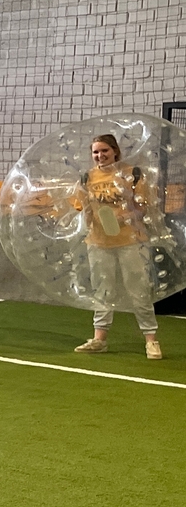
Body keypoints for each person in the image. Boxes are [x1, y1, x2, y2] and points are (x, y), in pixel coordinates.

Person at [72, 133, 164, 360]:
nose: (100, 155)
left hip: (131, 241)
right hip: (98, 242)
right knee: (103, 290)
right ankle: (99, 339)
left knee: (138, 290)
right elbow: (84, 209)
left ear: (115, 151)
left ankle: (151, 340)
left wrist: (125, 214)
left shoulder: (132, 174)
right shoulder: (86, 178)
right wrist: (86, 221)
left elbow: (143, 207)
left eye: (104, 150)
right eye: (95, 152)